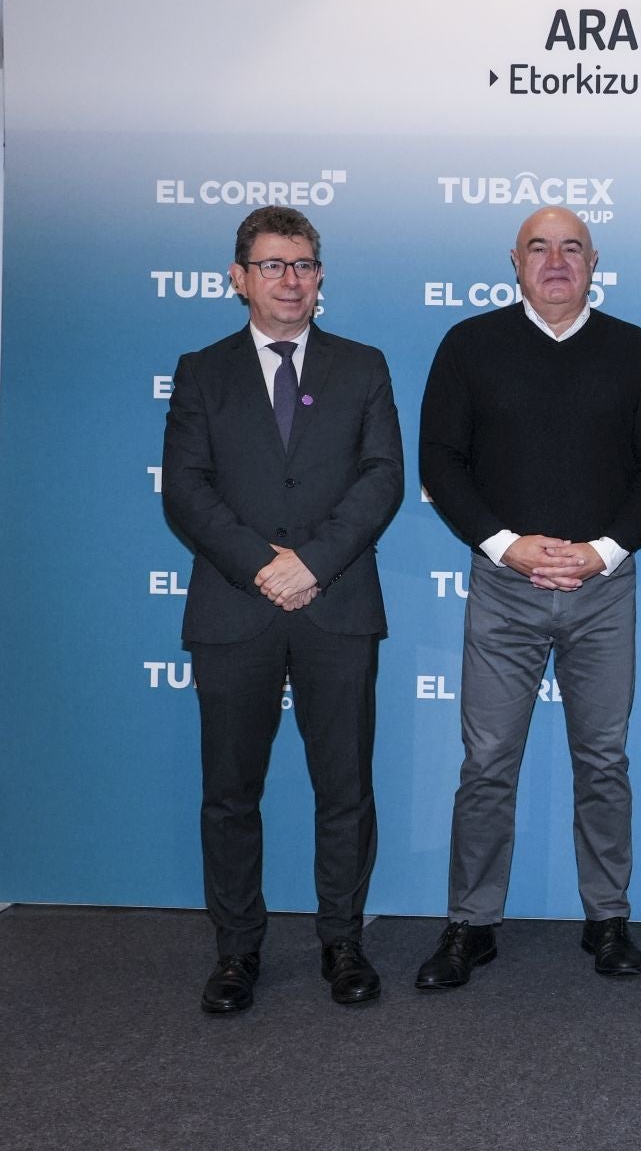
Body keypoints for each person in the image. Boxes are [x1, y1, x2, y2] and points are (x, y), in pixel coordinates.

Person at [415, 206, 641, 989]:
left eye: (572, 247)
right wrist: (508, 545)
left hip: (604, 587)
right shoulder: (470, 346)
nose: (556, 260)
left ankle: (607, 919)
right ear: (515, 261)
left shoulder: (635, 351)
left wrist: (600, 552)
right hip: (503, 587)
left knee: (602, 759)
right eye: (540, 247)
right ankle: (471, 923)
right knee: (488, 762)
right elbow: (441, 458)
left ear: (595, 261)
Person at [161, 206, 403, 1013]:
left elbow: (382, 480)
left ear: (321, 276)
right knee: (230, 793)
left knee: (345, 789)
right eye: (272, 266)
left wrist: (314, 563)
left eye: (303, 264)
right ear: (239, 279)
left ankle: (343, 941)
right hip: (237, 608)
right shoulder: (201, 371)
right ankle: (237, 953)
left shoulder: (363, 366)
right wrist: (266, 566)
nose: (290, 279)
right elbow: (186, 490)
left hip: (336, 607)